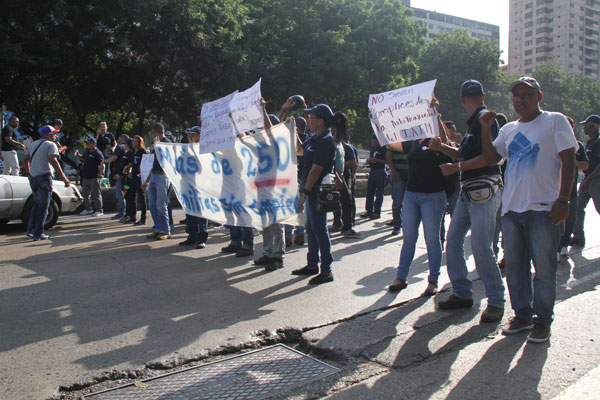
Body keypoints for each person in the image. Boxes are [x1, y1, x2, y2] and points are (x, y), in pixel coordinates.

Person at [480, 76, 576, 343]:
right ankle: (522, 315)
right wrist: (485, 129)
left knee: (544, 270)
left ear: (539, 97)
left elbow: (568, 159)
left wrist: (564, 199)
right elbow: (491, 158)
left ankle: (542, 321)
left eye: (526, 94)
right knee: (516, 268)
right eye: (516, 95)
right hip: (512, 211)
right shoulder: (509, 129)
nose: (520, 100)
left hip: (544, 209)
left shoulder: (555, 121)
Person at [432, 80, 506, 323]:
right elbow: (464, 153)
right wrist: (442, 147)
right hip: (469, 188)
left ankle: (496, 300)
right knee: (454, 241)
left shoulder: (485, 120)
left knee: (480, 247)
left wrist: (457, 167)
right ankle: (463, 293)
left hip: (484, 187)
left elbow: (489, 159)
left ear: (463, 99)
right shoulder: (477, 120)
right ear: (482, 95)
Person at [387, 105, 450, 296]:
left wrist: (435, 113)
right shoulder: (414, 141)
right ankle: (401, 277)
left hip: (433, 195)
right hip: (412, 194)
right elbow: (392, 145)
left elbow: (446, 142)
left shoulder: (437, 140)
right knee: (409, 239)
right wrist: (378, 124)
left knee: (432, 240)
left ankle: (433, 281)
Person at [293, 104, 337, 284]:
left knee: (320, 230)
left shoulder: (326, 141)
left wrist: (304, 193)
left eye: (311, 117)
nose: (308, 120)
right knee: (311, 229)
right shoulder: (314, 138)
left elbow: (316, 170)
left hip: (317, 191)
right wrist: (293, 131)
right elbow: (299, 150)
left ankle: (326, 270)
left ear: (321, 121)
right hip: (310, 189)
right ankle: (312, 264)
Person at [22, 125, 70, 240]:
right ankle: (38, 233)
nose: (55, 136)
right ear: (48, 135)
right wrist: (64, 178)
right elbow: (53, 161)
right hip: (44, 177)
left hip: (33, 178)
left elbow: (25, 160)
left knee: (36, 205)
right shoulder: (50, 145)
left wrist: (29, 173)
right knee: (44, 207)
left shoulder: (33, 144)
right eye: (54, 134)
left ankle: (30, 230)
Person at [558, 117, 588, 257]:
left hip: (571, 190)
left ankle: (564, 245)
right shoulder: (553, 143)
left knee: (571, 218)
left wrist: (570, 160)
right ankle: (556, 248)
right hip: (554, 188)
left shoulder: (578, 146)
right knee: (555, 222)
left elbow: (585, 165)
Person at [571, 114, 600, 247]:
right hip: (588, 179)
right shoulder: (590, 142)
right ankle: (578, 236)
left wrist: (589, 180)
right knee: (578, 206)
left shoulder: (598, 142)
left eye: (586, 125)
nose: (583, 127)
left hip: (596, 180)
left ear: (593, 127)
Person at [178, 126, 209, 249]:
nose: (189, 137)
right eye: (188, 135)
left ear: (199, 136)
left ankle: (202, 238)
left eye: (192, 135)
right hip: (187, 185)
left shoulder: (205, 149)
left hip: (201, 186)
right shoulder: (186, 149)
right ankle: (192, 236)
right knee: (190, 212)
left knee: (201, 213)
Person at [331, 112, 359, 238]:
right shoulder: (332, 143)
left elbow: (353, 163)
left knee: (346, 202)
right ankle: (343, 225)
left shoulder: (344, 146)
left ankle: (347, 225)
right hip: (335, 176)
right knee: (339, 202)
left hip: (341, 176)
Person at [144, 122, 173, 240]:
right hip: (155, 174)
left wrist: (157, 146)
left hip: (163, 175)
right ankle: (157, 227)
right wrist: (147, 179)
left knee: (161, 204)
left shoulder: (167, 143)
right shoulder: (155, 144)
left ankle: (165, 229)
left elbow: (166, 158)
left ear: (156, 132)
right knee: (152, 204)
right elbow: (153, 162)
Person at [285, 117, 307, 247]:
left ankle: (288, 235)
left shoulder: (296, 139)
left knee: (290, 207)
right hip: (302, 176)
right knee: (299, 207)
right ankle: (299, 233)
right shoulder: (310, 137)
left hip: (296, 177)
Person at [386, 139, 410, 236]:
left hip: (410, 176)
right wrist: (394, 173)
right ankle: (397, 225)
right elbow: (388, 156)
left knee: (409, 204)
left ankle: (407, 226)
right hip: (398, 174)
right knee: (397, 202)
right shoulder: (395, 141)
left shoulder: (413, 141)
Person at [360, 135, 387, 219]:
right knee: (370, 191)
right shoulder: (373, 148)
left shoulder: (384, 148)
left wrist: (377, 160)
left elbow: (387, 161)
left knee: (379, 192)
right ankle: (369, 210)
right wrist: (369, 161)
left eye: (375, 141)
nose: (373, 142)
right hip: (373, 170)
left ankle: (377, 211)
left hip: (380, 170)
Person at [76, 138, 104, 217]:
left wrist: (102, 173)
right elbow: (83, 158)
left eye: (90, 143)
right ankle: (88, 208)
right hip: (86, 176)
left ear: (94, 144)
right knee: (85, 194)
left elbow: (102, 163)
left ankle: (99, 210)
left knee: (96, 194)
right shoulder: (87, 151)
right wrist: (78, 155)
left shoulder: (98, 153)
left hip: (95, 176)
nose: (88, 145)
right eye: (88, 143)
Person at [104, 134, 130, 220]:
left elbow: (114, 157)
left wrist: (105, 161)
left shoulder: (120, 147)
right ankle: (126, 212)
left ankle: (121, 213)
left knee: (120, 194)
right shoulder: (128, 149)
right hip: (127, 175)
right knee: (125, 193)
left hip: (120, 175)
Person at [124, 135, 148, 225]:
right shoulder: (132, 152)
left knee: (141, 197)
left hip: (140, 176)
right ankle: (132, 216)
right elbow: (131, 163)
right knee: (131, 196)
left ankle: (143, 218)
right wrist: (128, 169)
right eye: (133, 142)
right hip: (133, 176)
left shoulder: (142, 152)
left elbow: (145, 164)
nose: (134, 143)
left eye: (136, 142)